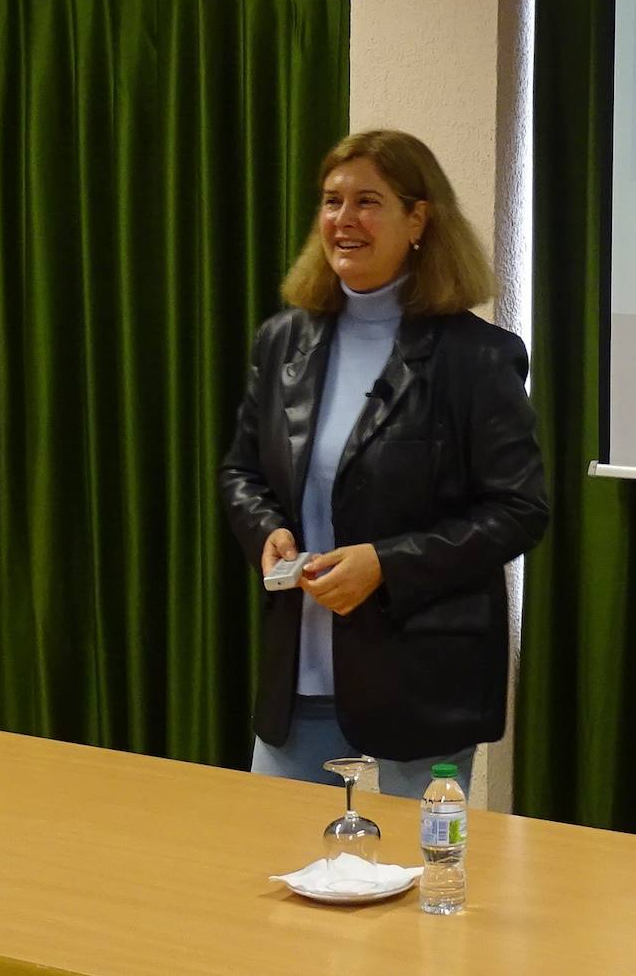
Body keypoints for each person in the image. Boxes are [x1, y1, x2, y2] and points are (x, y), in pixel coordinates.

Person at [216, 129, 548, 799]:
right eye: (331, 201)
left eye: (368, 201)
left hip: (422, 683)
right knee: (276, 876)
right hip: (300, 673)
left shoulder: (477, 358)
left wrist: (385, 565)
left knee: (415, 885)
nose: (343, 220)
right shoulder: (283, 340)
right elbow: (241, 472)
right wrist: (266, 531)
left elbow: (519, 510)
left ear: (418, 218)